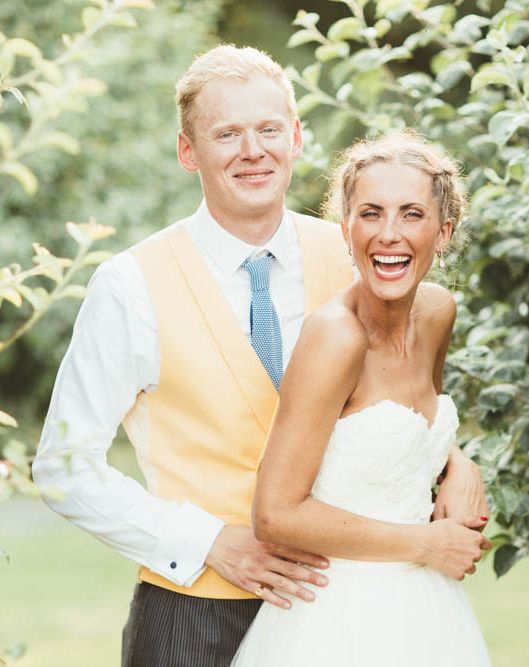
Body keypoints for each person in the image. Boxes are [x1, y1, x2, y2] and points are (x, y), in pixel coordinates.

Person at [31, 45, 488, 667]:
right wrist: (207, 542)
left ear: (296, 137)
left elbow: (389, 399)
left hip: (338, 613)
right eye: (227, 134)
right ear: (188, 151)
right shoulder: (130, 284)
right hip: (195, 612)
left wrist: (450, 460)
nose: (253, 151)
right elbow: (64, 464)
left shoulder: (365, 251)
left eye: (269, 129)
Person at [232, 131, 491, 666]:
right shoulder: (336, 337)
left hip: (427, 615)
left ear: (443, 233)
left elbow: (412, 424)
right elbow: (275, 515)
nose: (388, 235)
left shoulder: (438, 312)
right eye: (370, 214)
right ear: (345, 228)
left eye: (411, 214)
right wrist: (426, 544)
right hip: (336, 618)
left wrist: (458, 464)